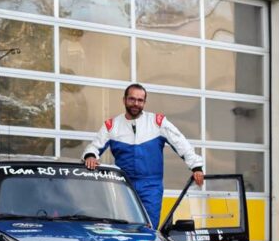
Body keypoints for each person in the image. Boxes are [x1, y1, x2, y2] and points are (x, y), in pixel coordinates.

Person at [84, 83, 203, 227]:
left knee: (149, 227)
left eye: (140, 100)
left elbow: (181, 143)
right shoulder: (111, 125)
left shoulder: (157, 122)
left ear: (144, 102)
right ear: (124, 100)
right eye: (132, 99)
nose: (136, 103)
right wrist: (90, 156)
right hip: (123, 185)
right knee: (123, 227)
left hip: (151, 186)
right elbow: (94, 146)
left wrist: (196, 166)